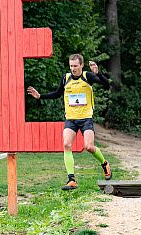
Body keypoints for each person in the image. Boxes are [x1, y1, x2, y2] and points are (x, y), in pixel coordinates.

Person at [27, 54, 112, 190]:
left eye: (75, 66)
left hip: (86, 118)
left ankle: (104, 163)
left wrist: (99, 73)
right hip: (71, 119)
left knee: (89, 147)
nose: (73, 69)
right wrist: (40, 96)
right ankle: (71, 179)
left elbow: (106, 85)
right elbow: (57, 93)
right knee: (66, 144)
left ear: (81, 65)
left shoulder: (87, 76)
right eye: (71, 66)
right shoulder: (66, 78)